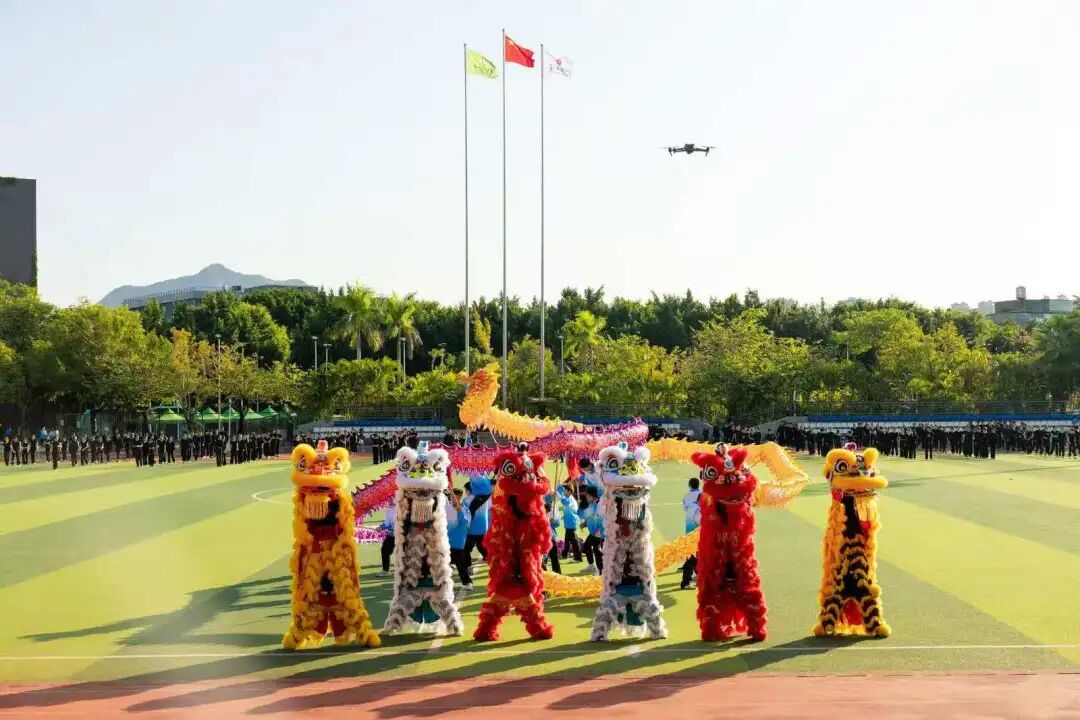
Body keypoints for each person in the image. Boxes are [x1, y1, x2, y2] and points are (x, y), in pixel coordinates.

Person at [446, 488, 472, 591]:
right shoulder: (446, 507)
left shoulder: (465, 510)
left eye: (456, 497)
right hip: (445, 542)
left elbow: (466, 523)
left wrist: (460, 512)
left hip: (458, 542)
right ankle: (443, 584)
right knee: (442, 564)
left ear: (460, 497)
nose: (454, 499)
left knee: (461, 565)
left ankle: (467, 583)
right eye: (453, 497)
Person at [463, 475, 493, 564]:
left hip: (471, 529)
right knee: (482, 547)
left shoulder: (466, 500)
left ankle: (467, 565)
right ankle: (491, 561)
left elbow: (465, 515)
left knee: (467, 549)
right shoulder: (487, 499)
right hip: (483, 528)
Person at [680, 477, 703, 590]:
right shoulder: (699, 509)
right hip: (697, 535)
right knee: (694, 558)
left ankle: (697, 577)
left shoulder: (688, 499)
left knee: (693, 557)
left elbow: (685, 508)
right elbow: (701, 521)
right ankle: (687, 582)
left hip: (689, 532)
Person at [580, 486, 605, 574]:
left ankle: (599, 570)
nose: (586, 496)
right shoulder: (592, 504)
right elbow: (589, 517)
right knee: (595, 549)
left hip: (598, 533)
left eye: (588, 495)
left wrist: (600, 530)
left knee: (592, 548)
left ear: (593, 496)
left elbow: (602, 519)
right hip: (594, 532)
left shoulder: (598, 506)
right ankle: (598, 569)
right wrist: (585, 524)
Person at [557, 482, 582, 562]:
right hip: (569, 523)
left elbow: (564, 501)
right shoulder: (568, 498)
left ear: (569, 491)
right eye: (564, 490)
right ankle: (564, 555)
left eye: (565, 490)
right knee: (567, 540)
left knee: (574, 541)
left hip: (572, 523)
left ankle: (578, 558)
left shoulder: (570, 499)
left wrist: (559, 492)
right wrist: (559, 487)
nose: (564, 492)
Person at [543, 496, 562, 574]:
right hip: (543, 538)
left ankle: (558, 575)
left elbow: (558, 522)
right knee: (543, 559)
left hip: (551, 536)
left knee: (554, 557)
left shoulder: (554, 507)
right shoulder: (539, 507)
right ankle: (544, 575)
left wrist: (554, 521)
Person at [376, 504, 396, 578]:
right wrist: (381, 527)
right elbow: (388, 521)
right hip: (392, 535)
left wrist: (382, 527)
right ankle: (385, 570)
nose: (390, 501)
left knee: (402, 553)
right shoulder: (389, 509)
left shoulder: (401, 506)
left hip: (402, 535)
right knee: (385, 550)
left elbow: (394, 522)